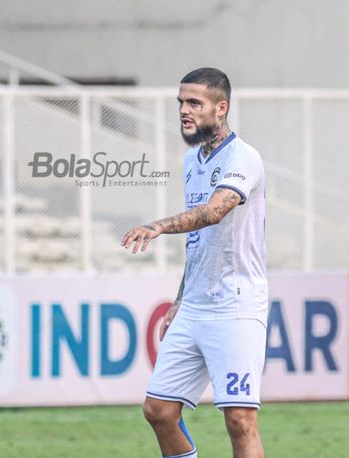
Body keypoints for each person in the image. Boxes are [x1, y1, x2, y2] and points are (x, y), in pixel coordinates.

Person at [121, 67, 267, 458]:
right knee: (159, 411)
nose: (184, 111)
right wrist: (181, 298)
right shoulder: (191, 160)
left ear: (221, 108)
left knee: (239, 420)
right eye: (181, 103)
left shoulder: (244, 158)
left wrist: (157, 226)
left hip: (236, 306)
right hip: (195, 306)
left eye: (194, 103)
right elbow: (201, 242)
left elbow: (215, 212)